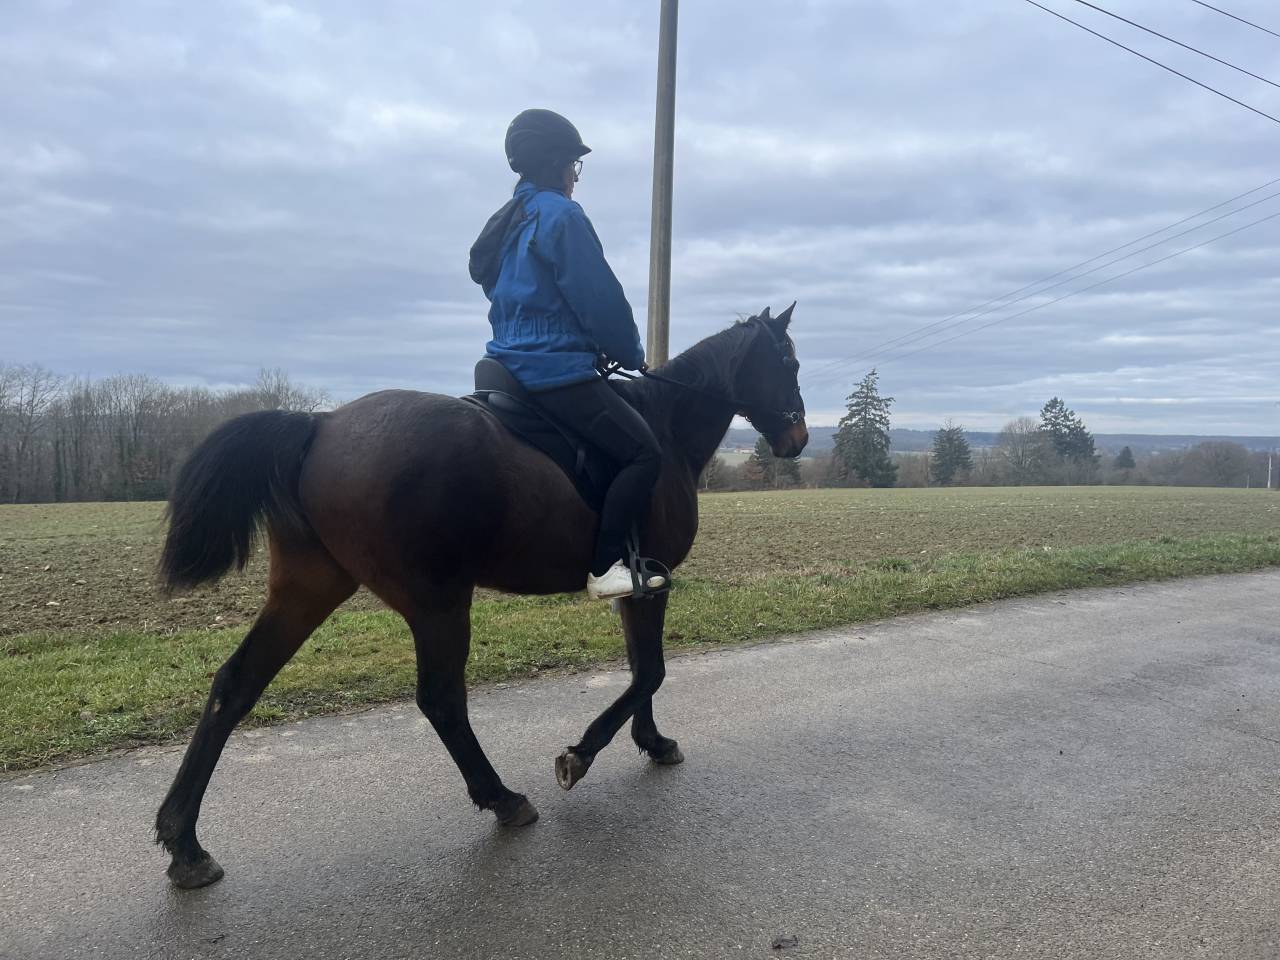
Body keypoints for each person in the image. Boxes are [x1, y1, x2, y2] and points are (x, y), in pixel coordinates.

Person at [469, 108, 662, 600]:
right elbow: (599, 299)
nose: (575, 177)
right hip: (552, 371)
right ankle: (604, 568)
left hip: (501, 368)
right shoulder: (561, 215)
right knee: (643, 453)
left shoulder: (508, 220)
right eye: (574, 165)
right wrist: (630, 352)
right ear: (558, 164)